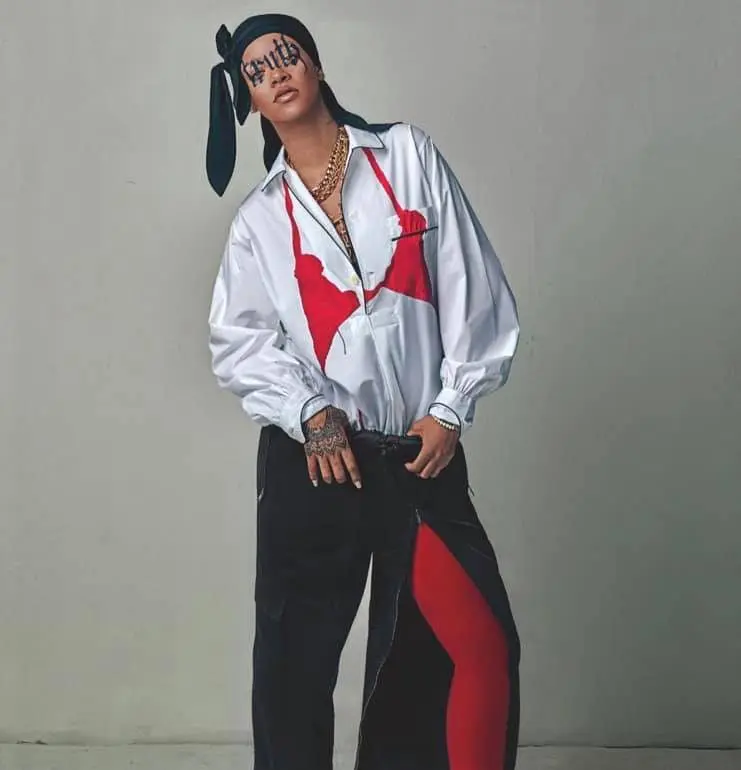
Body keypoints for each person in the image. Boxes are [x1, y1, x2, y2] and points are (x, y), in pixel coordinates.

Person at [206, 13, 521, 770]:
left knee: (470, 646)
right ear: (248, 99)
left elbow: (471, 282)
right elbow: (240, 342)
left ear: (315, 64)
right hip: (316, 462)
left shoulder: (407, 156)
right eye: (256, 71)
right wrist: (309, 411)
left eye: (286, 56)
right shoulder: (259, 221)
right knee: (293, 668)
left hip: (418, 451)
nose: (276, 74)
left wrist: (450, 407)